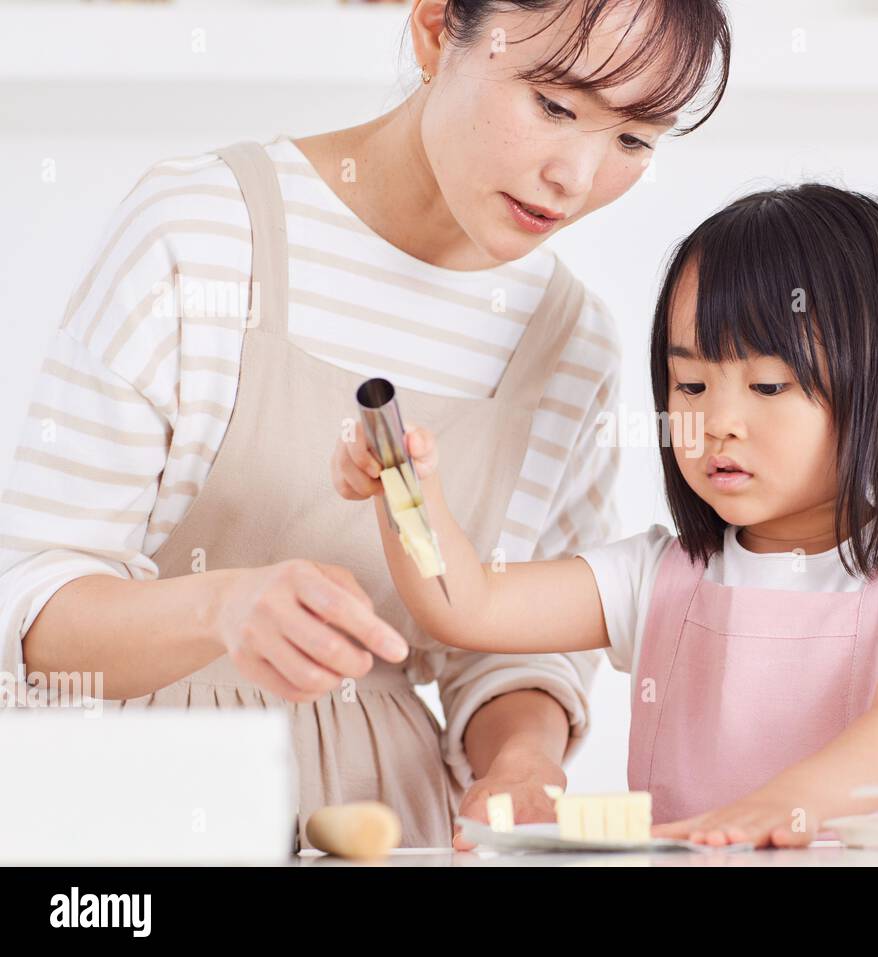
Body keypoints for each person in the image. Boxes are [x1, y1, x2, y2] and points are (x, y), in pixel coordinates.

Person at [0, 0, 731, 850]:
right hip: (137, 799)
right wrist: (221, 606)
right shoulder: (203, 231)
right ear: (432, 31)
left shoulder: (571, 344)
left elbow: (508, 648)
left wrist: (522, 765)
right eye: (554, 106)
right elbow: (31, 604)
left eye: (633, 139)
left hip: (394, 821)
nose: (575, 173)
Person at [333, 183, 878, 847]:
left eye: (767, 384)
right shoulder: (658, 575)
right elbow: (470, 605)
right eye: (691, 383)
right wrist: (404, 491)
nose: (717, 420)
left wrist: (778, 804)